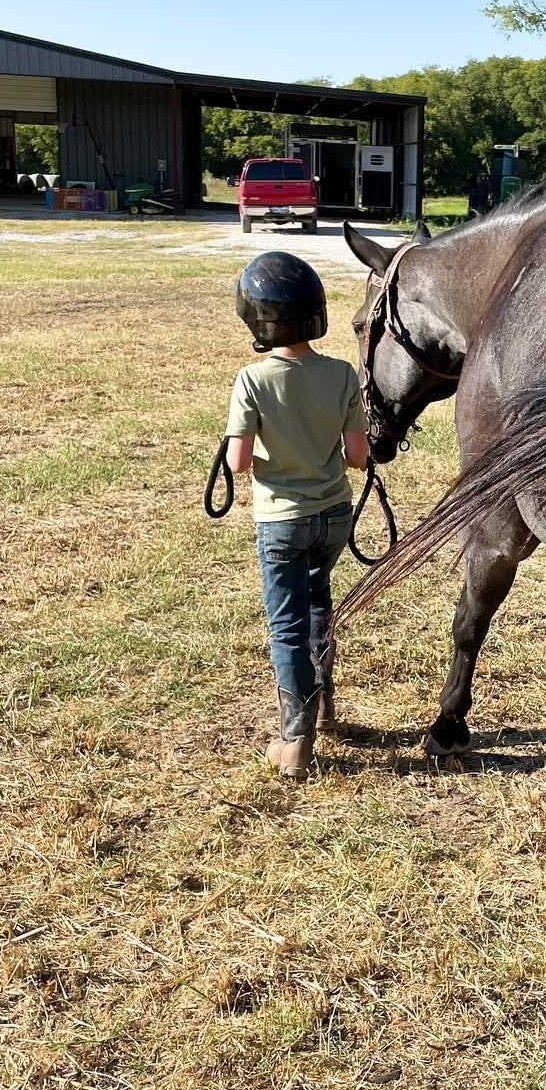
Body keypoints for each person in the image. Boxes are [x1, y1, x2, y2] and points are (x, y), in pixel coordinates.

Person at [225, 252, 369, 777]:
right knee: (318, 606)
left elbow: (238, 463)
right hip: (333, 515)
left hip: (281, 521)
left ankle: (295, 741)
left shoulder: (252, 379)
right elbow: (357, 456)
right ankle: (324, 703)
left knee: (286, 624)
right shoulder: (341, 374)